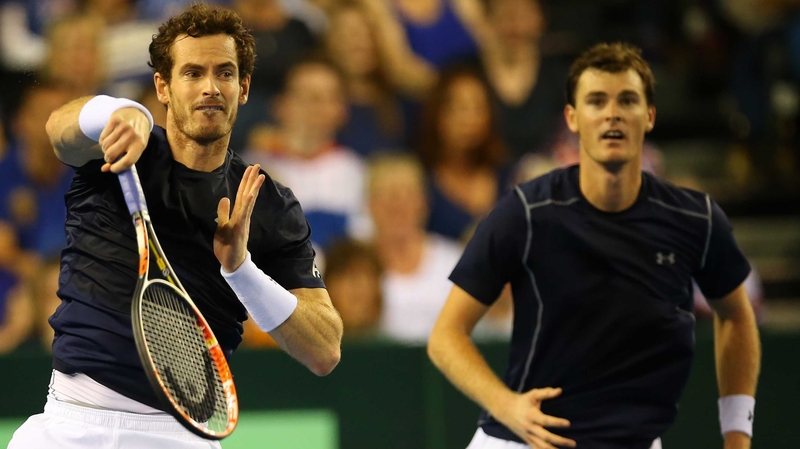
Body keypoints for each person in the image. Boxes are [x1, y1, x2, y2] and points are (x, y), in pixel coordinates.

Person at [8, 4, 343, 449]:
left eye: (225, 73)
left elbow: (324, 350)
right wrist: (119, 113)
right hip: (71, 425)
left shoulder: (268, 205)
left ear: (244, 88)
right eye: (192, 73)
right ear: (162, 86)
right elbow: (59, 127)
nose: (210, 87)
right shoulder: (116, 150)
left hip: (183, 435)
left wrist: (241, 271)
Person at [427, 43, 761, 449]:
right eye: (596, 101)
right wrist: (505, 405)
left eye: (628, 100)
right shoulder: (527, 212)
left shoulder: (696, 220)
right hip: (522, 443)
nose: (612, 113)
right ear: (573, 118)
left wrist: (738, 437)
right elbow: (446, 336)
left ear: (650, 116)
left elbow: (737, 318)